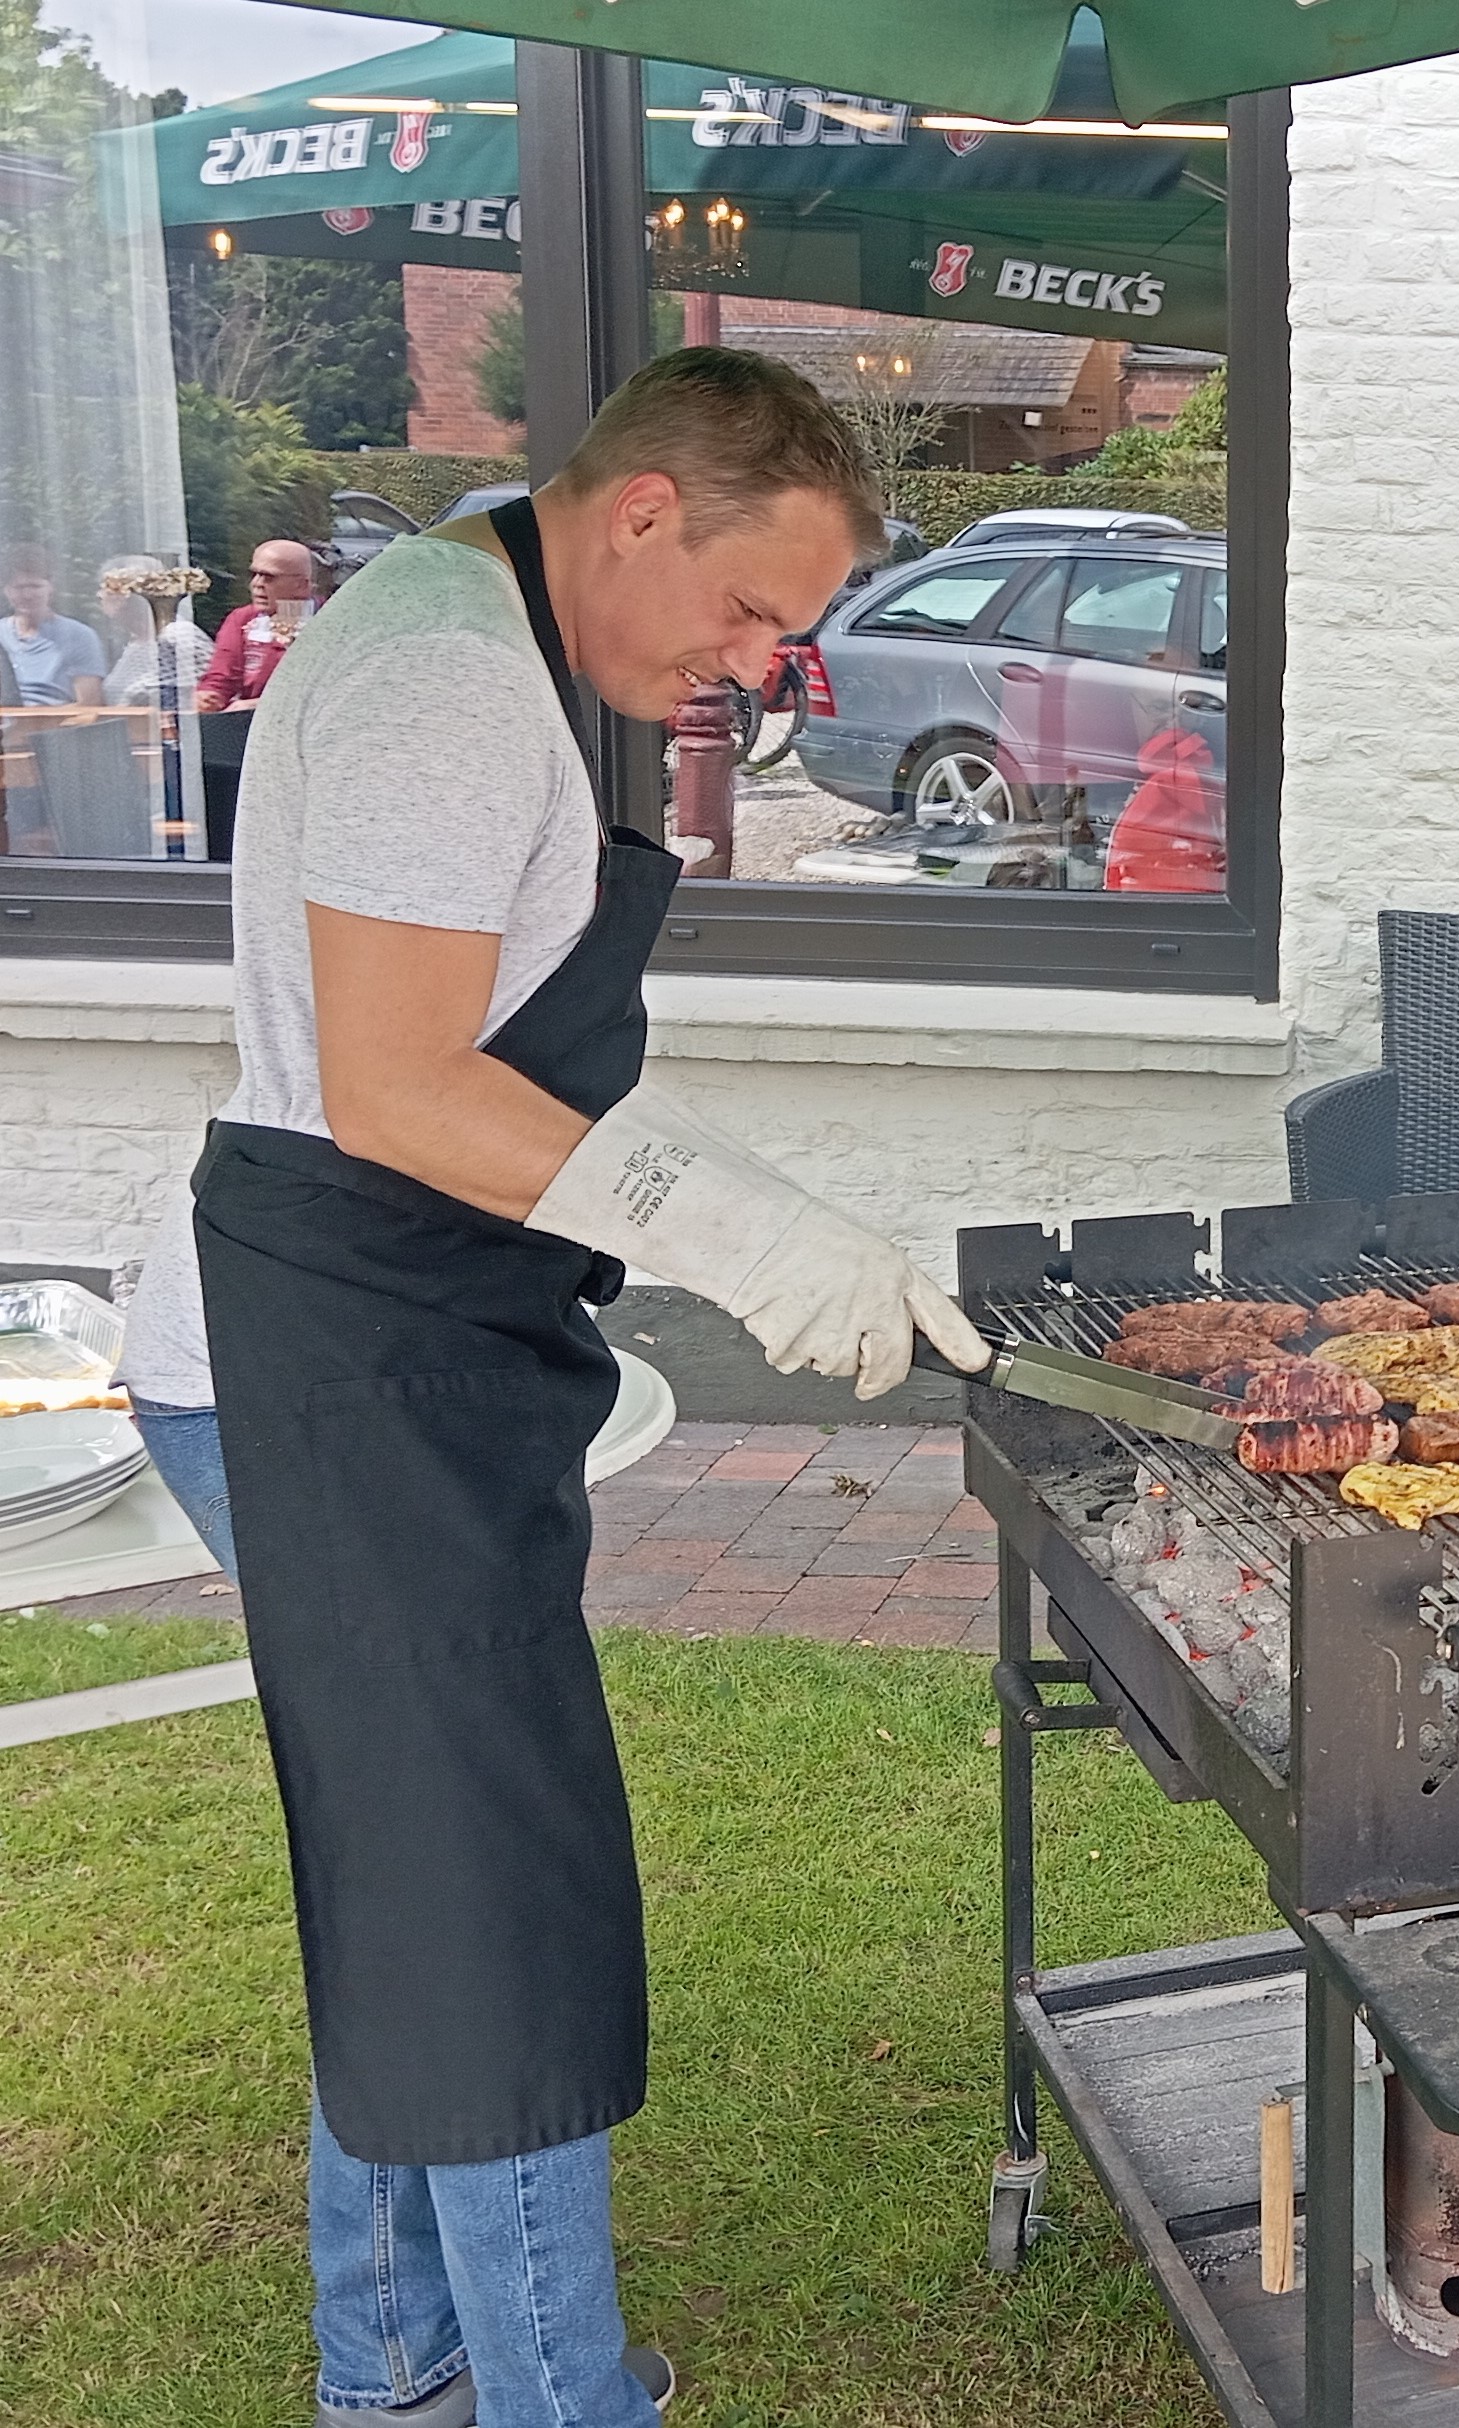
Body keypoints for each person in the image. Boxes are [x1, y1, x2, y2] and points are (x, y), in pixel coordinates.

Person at [114, 347, 990, 2428]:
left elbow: (514, 1040)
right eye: (757, 610)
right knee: (482, 1897)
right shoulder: (442, 675)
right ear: (644, 515)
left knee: (412, 1868)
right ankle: (551, 2396)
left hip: (392, 1325)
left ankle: (394, 2360)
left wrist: (765, 1197)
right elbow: (404, 1083)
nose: (764, 665)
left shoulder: (503, 635)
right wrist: (738, 1235)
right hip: (321, 1344)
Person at [195, 535, 322, 712]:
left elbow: (324, 692)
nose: (257, 584)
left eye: (269, 577)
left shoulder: (326, 621)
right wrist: (208, 696)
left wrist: (258, 705)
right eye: (254, 574)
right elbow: (222, 677)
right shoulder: (242, 618)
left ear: (301, 585)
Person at [98, 552, 216, 710]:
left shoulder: (177, 635)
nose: (100, 596)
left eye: (107, 588)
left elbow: (207, 694)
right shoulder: (134, 642)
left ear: (129, 593)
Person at [3, 545, 109, 705]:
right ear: (6, 590)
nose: (27, 595)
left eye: (35, 586)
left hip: (57, 726)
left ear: (51, 586)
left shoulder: (79, 636)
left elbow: (89, 705)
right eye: (19, 587)